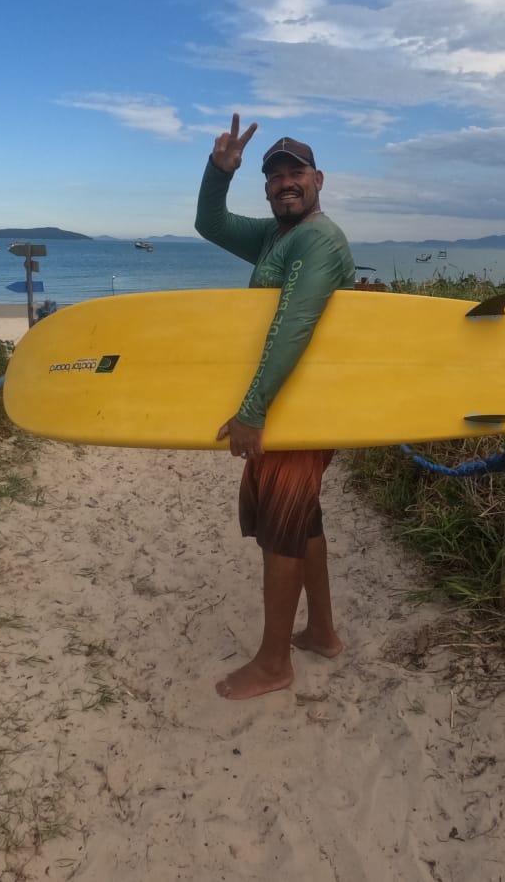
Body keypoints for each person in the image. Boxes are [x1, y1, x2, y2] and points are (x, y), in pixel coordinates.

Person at [195, 113, 356, 700]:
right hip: (290, 404)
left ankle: (273, 663)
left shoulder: (318, 238)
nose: (285, 182)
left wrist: (253, 410)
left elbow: (294, 325)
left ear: (318, 179)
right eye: (275, 176)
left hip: (296, 407)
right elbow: (208, 223)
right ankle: (322, 632)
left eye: (296, 174)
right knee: (302, 515)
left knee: (282, 528)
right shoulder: (274, 236)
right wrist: (220, 170)